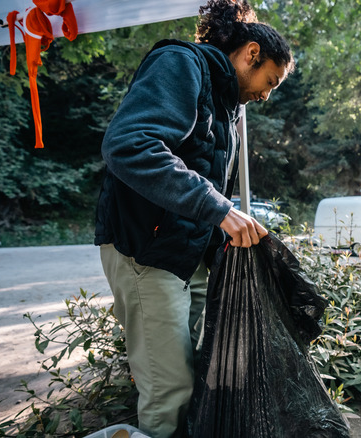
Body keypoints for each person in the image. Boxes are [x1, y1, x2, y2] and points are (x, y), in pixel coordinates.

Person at [94, 1, 294, 436]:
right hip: (145, 250)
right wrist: (220, 210)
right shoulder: (181, 64)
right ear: (251, 53)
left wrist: (228, 237)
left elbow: (205, 181)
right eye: (269, 82)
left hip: (186, 256)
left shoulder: (227, 107)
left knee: (206, 370)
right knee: (171, 389)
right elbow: (129, 145)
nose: (265, 95)